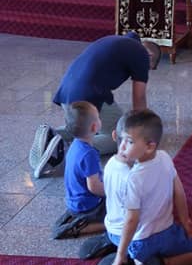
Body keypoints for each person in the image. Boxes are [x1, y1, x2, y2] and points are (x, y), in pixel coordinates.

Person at [30, 32, 160, 177]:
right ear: (150, 56)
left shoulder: (118, 41)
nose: (145, 71)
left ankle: (52, 135)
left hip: (67, 90)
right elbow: (139, 98)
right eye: (149, 68)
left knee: (82, 127)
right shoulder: (141, 54)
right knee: (118, 136)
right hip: (89, 94)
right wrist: (142, 131)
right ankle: (64, 152)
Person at [110, 109, 192, 265]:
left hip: (140, 242)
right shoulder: (165, 158)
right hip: (167, 234)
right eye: (122, 139)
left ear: (149, 146)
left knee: (136, 250)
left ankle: (140, 264)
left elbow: (131, 220)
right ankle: (164, 264)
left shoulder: (133, 178)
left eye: (129, 141)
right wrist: (185, 222)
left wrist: (120, 253)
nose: (122, 146)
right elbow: (179, 193)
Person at [79, 113, 130, 264]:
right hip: (134, 235)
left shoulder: (110, 164)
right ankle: (131, 257)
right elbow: (135, 218)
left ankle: (113, 241)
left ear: (114, 135)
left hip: (112, 228)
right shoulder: (140, 172)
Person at [52, 101, 106, 240]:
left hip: (75, 201)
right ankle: (83, 226)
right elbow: (94, 188)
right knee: (121, 213)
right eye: (98, 117)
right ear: (94, 127)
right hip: (88, 206)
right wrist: (111, 192)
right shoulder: (89, 154)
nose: (100, 119)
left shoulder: (76, 145)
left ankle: (77, 219)